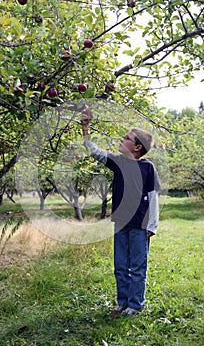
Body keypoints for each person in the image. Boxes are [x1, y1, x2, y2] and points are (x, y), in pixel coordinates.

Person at [81, 110, 161, 317]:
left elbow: (152, 197)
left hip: (140, 226)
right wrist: (85, 128)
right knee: (120, 266)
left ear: (137, 147)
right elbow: (95, 151)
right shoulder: (118, 162)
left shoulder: (147, 167)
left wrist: (152, 226)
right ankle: (122, 302)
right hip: (121, 223)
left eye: (126, 138)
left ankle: (135, 305)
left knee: (137, 267)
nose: (121, 139)